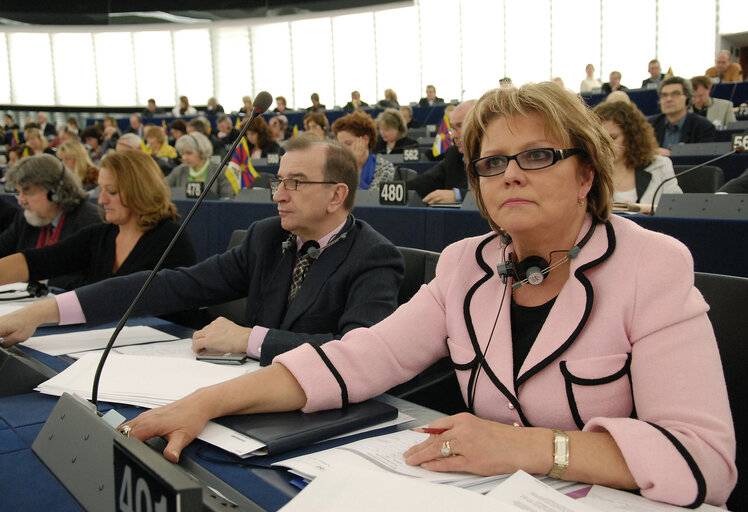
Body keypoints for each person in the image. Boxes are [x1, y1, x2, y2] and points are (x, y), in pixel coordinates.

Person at [93, 82, 736, 508]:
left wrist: (531, 447)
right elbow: (358, 358)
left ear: (585, 172)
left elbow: (705, 459)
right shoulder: (465, 265)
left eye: (537, 155)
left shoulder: (653, 266)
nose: (508, 173)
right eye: (490, 162)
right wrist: (206, 400)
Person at [0, 135, 404, 368]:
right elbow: (167, 286)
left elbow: (359, 353)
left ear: (336, 195)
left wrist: (250, 337)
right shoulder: (265, 237)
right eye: (278, 181)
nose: (278, 195)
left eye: (295, 183)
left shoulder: (373, 256)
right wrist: (43, 312)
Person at [0, 150, 195, 290]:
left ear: (140, 192)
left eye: (111, 191)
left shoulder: (170, 239)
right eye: (101, 190)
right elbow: (41, 261)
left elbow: (122, 296)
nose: (102, 200)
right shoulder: (101, 235)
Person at [0, 154, 101, 289]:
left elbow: (92, 282)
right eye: (19, 193)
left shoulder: (90, 221)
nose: (20, 200)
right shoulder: (26, 219)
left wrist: (43, 280)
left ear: (55, 192)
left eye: (27, 193)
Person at [594, 101, 682, 209]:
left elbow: (676, 209)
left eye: (613, 138)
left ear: (631, 137)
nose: (605, 145)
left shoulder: (661, 165)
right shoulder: (590, 172)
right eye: (600, 139)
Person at [407, 101, 473, 204]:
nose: (453, 136)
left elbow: (495, 194)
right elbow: (425, 182)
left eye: (460, 126)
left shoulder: (497, 157)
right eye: (452, 128)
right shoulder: (454, 154)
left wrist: (458, 195)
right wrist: (396, 189)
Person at [648, 76, 716, 155]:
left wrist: (672, 154)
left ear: (687, 98)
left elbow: (704, 161)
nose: (668, 99)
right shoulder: (649, 125)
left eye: (675, 94)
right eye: (664, 95)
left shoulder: (703, 126)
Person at [331, 110, 396, 191]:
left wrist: (356, 167)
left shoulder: (384, 168)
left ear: (365, 139)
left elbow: (370, 199)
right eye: (340, 145)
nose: (343, 149)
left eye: (348, 143)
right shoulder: (336, 169)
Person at [168, 132, 236, 199]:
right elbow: (162, 188)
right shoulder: (179, 170)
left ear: (201, 151)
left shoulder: (221, 171)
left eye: (189, 153)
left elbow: (228, 199)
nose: (184, 157)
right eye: (182, 154)